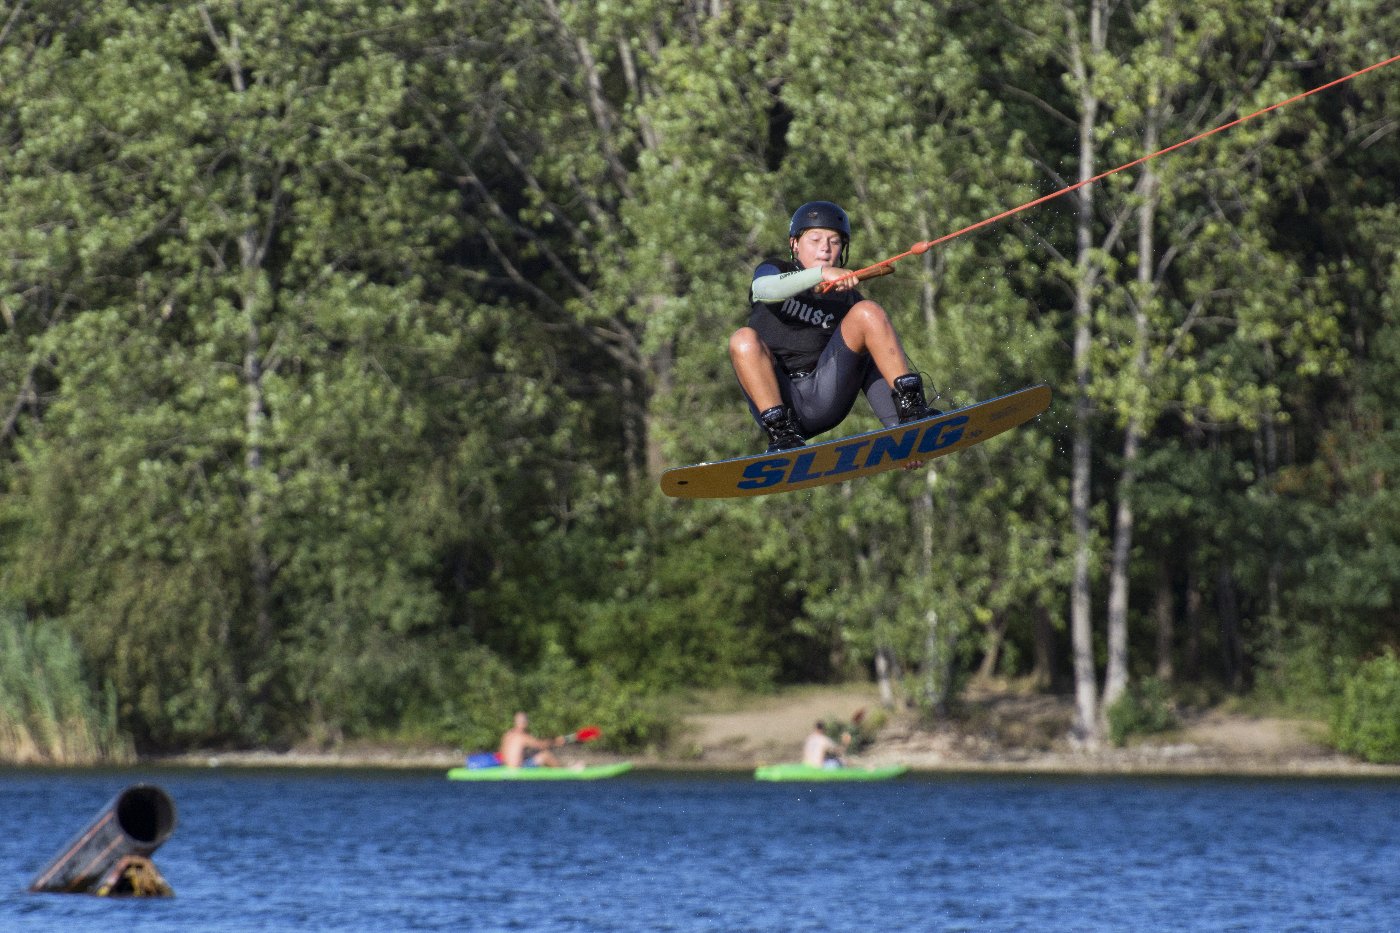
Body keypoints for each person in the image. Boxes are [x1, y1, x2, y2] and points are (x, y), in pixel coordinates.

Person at [729, 200, 938, 452]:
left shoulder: (849, 300)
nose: (825, 250)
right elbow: (765, 289)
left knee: (868, 312)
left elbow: (871, 370)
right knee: (742, 338)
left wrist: (903, 434)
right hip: (779, 401)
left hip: (825, 395)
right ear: (794, 244)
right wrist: (820, 275)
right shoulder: (773, 270)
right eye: (815, 240)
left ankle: (911, 413)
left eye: (834, 242)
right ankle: (783, 438)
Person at [498, 711, 564, 768]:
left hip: (506, 767)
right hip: (518, 768)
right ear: (525, 723)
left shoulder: (507, 735)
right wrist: (555, 741)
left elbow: (502, 752)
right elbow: (541, 745)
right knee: (545, 755)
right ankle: (562, 775)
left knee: (532, 755)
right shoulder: (523, 736)